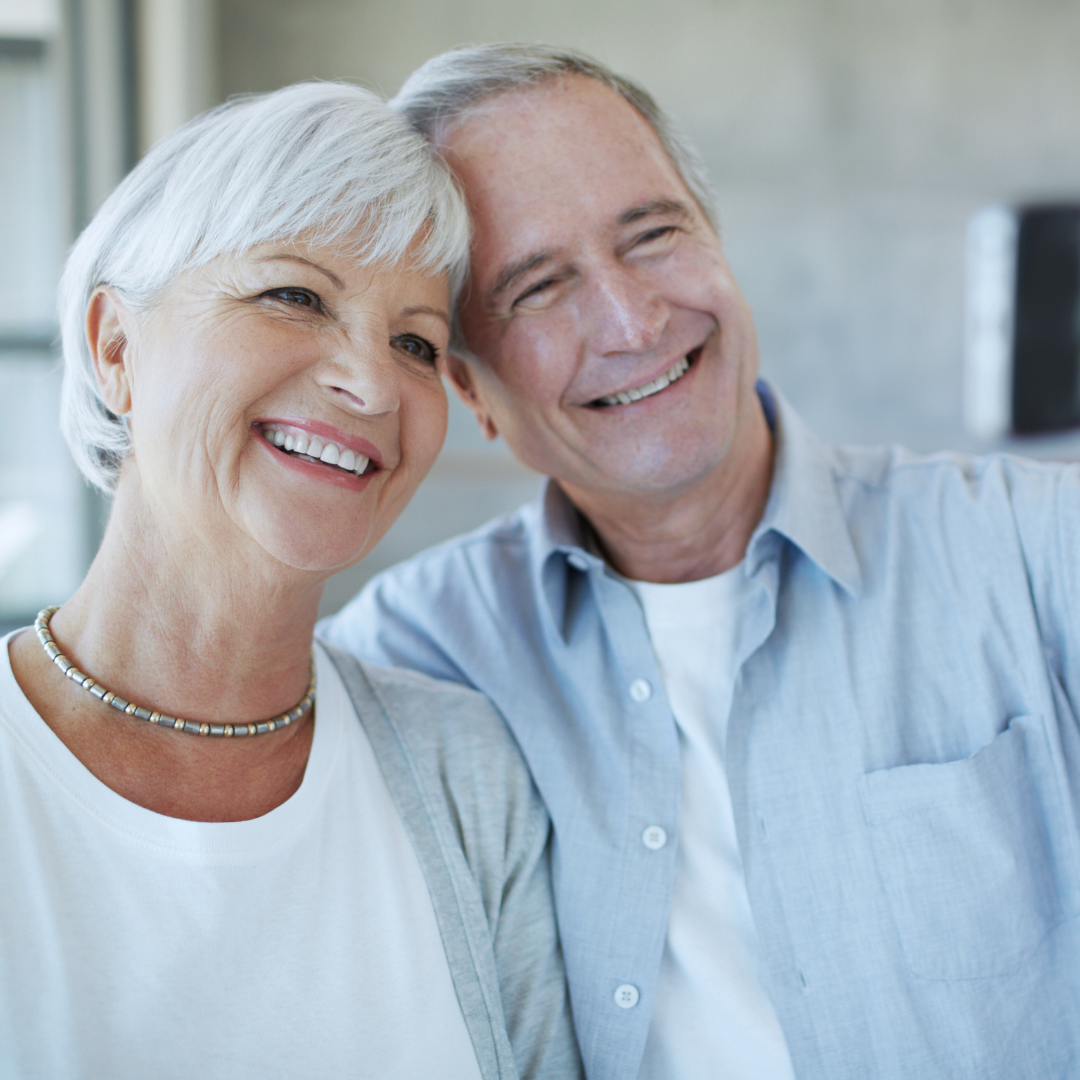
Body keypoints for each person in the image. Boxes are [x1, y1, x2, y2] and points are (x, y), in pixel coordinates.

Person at [320, 43, 1080, 1080]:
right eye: (538, 288)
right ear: (470, 389)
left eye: (655, 234)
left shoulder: (1037, 553)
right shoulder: (411, 660)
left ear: (718, 243)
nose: (633, 321)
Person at [0, 81, 583, 1080]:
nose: (369, 384)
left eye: (414, 342)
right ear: (115, 348)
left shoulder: (467, 773)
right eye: (295, 295)